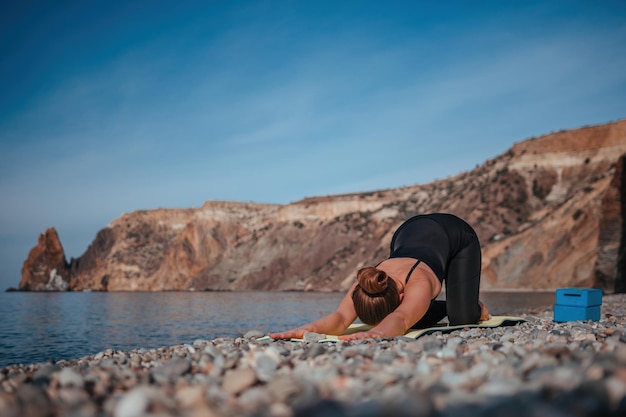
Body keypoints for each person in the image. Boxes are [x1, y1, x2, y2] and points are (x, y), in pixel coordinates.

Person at [269, 213, 489, 341]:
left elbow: (401, 319)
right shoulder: (369, 280)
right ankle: (450, 304)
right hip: (408, 230)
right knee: (417, 314)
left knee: (462, 319)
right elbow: (341, 318)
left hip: (457, 234)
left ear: (402, 296)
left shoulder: (419, 282)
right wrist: (307, 330)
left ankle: (471, 306)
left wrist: (376, 333)